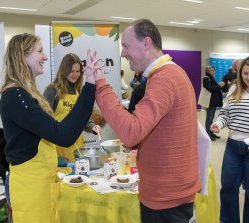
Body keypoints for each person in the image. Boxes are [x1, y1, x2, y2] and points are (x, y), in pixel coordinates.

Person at [91, 19, 200, 223]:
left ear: (146, 43)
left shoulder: (165, 79)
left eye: (125, 45)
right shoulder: (170, 74)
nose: (122, 53)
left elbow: (131, 132)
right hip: (173, 193)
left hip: (166, 199)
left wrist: (101, 86)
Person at [0, 33, 96, 223]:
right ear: (22, 56)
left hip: (41, 187)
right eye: (40, 51)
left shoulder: (26, 94)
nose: (45, 57)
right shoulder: (15, 96)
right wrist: (90, 87)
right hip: (31, 190)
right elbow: (62, 135)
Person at [210, 57, 249, 223]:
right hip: (233, 147)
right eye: (246, 73)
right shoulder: (234, 89)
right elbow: (226, 114)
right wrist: (218, 124)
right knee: (228, 188)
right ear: (241, 73)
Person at [43, 53, 100, 163]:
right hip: (58, 150)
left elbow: (83, 118)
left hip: (77, 148)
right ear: (64, 71)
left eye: (78, 71)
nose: (75, 75)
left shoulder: (79, 92)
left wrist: (93, 127)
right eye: (71, 71)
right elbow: (44, 120)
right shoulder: (53, 90)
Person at [202, 65, 225, 141]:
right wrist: (219, 85)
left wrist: (219, 86)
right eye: (212, 70)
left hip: (213, 101)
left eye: (214, 70)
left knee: (211, 118)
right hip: (210, 101)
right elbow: (210, 89)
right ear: (208, 71)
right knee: (209, 118)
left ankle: (211, 133)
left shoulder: (211, 77)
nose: (213, 71)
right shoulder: (206, 78)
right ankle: (208, 134)